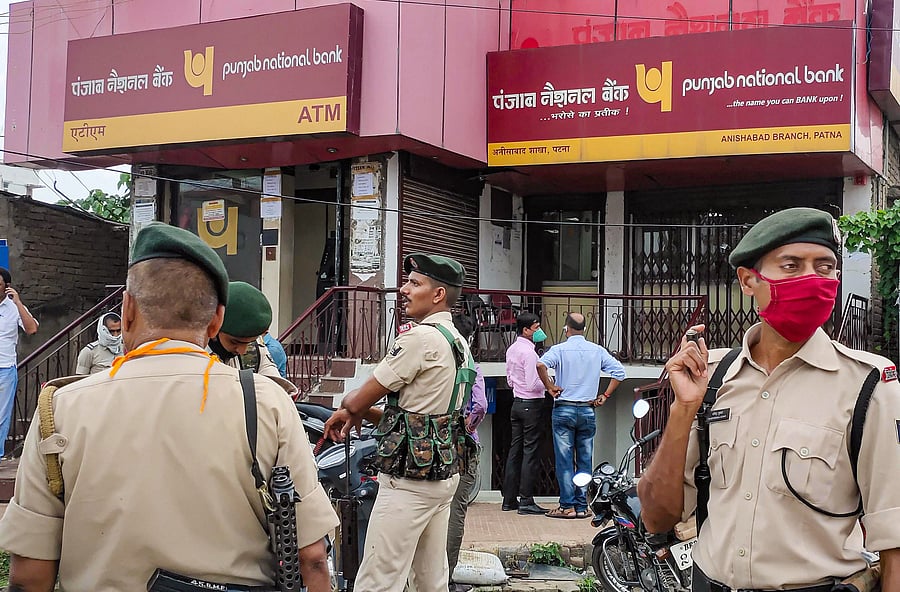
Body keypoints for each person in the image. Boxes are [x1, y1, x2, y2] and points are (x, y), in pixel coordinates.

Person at [0, 222, 338, 591]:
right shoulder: (266, 403)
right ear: (217, 321)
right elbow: (312, 557)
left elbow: (29, 575)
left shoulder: (59, 409)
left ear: (126, 309)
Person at [637, 207, 900, 592]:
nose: (813, 279)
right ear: (748, 281)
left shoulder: (869, 384)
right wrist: (682, 410)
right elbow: (657, 519)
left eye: (825, 267)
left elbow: (893, 538)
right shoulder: (713, 377)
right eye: (791, 266)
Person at [324, 252, 473, 592]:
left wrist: (351, 409)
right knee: (430, 580)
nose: (404, 289)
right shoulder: (458, 342)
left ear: (438, 295)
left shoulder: (419, 338)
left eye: (414, 283)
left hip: (410, 481)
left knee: (379, 578)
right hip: (443, 475)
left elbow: (354, 399)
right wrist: (364, 414)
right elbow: (418, 414)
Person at [538, 312, 626, 519]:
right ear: (584, 330)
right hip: (587, 410)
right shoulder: (597, 350)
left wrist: (550, 386)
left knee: (564, 461)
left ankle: (567, 506)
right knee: (585, 460)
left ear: (566, 329)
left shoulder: (559, 349)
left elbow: (540, 365)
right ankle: (582, 506)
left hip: (564, 409)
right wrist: (605, 395)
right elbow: (620, 372)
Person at [447, 313, 488, 584]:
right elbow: (481, 405)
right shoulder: (471, 367)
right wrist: (470, 426)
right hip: (463, 445)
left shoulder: (439, 363)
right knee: (456, 508)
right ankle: (445, 574)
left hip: (431, 444)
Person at [502, 311, 548, 515]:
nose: (539, 332)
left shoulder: (512, 349)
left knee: (515, 451)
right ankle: (526, 500)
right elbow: (533, 382)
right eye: (536, 328)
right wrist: (549, 384)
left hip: (517, 403)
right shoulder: (529, 353)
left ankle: (509, 499)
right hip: (531, 404)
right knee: (530, 453)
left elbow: (510, 379)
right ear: (526, 330)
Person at [208, 281, 282, 380]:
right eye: (234, 341)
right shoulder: (191, 353)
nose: (242, 351)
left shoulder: (256, 352)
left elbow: (275, 386)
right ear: (214, 326)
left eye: (250, 342)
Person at [0, 266, 38, 456]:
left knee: (1, 415)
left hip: (5, 368)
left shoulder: (15, 308)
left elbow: (31, 329)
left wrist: (18, 302)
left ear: (6, 287)